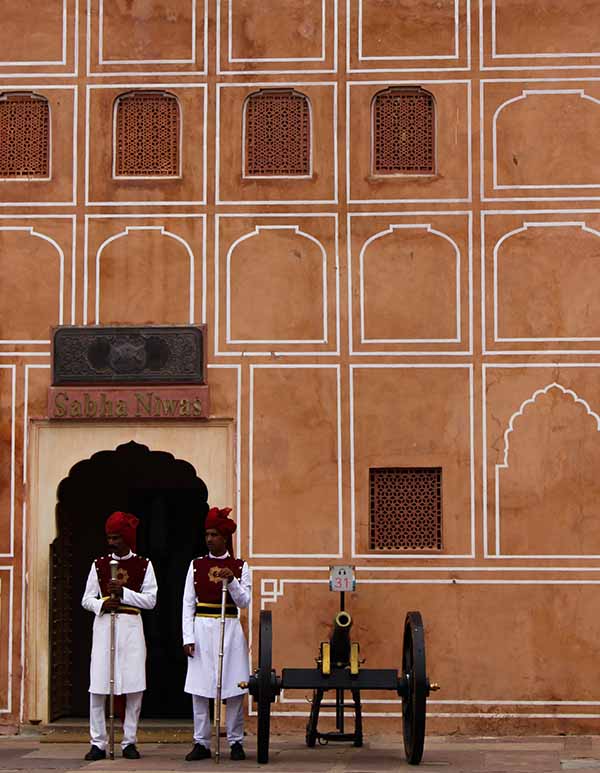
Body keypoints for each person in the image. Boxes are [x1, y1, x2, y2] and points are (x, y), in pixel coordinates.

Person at [81, 511, 158, 761]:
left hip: (131, 629)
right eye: (109, 538)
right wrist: (102, 603)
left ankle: (129, 741)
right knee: (98, 686)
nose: (111, 542)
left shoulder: (144, 565)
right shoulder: (99, 565)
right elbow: (86, 599)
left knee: (134, 686)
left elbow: (151, 600)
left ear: (127, 538)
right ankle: (98, 743)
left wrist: (124, 594)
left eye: (116, 538)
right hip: (105, 628)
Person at [182, 506, 250, 761]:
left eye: (214, 535)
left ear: (225, 538)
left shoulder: (240, 567)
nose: (209, 539)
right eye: (207, 534)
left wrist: (232, 582)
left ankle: (235, 741)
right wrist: (187, 637)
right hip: (202, 629)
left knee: (234, 688)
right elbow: (187, 603)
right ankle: (201, 742)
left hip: (229, 628)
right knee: (200, 689)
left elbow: (244, 602)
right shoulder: (196, 565)